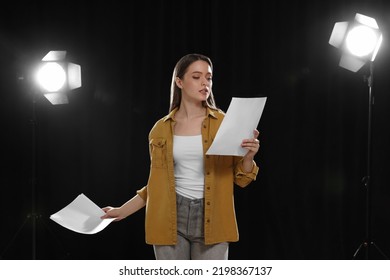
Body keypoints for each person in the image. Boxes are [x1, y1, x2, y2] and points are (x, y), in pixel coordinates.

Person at [101, 53, 260, 260]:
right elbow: (157, 183)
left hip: (214, 219)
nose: (205, 82)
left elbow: (242, 180)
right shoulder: (160, 129)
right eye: (196, 77)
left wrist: (248, 157)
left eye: (209, 77)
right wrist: (122, 210)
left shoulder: (225, 123)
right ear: (179, 82)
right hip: (169, 217)